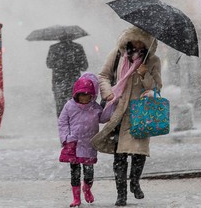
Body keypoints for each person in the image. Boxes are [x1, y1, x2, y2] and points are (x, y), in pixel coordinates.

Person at [91, 26, 162, 206]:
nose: (136, 44)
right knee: (120, 155)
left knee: (139, 153)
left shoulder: (153, 60)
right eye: (133, 40)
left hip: (140, 112)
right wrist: (108, 93)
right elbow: (104, 76)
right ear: (127, 40)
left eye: (141, 41)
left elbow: (156, 88)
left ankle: (135, 182)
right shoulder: (117, 55)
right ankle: (121, 194)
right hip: (119, 111)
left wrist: (145, 74)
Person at [58, 72, 111, 207]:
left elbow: (104, 118)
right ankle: (76, 198)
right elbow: (62, 122)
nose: (84, 98)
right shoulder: (69, 106)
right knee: (75, 173)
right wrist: (65, 138)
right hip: (73, 144)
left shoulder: (95, 108)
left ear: (92, 96)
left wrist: (111, 105)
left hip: (89, 144)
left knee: (89, 172)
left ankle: (87, 189)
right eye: (81, 95)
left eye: (87, 95)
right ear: (76, 94)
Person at [46, 39, 88, 117]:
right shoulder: (77, 47)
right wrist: (74, 64)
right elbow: (84, 66)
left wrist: (60, 64)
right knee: (75, 108)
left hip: (58, 83)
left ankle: (63, 127)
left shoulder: (53, 48)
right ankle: (75, 126)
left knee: (61, 109)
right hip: (74, 83)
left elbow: (49, 64)